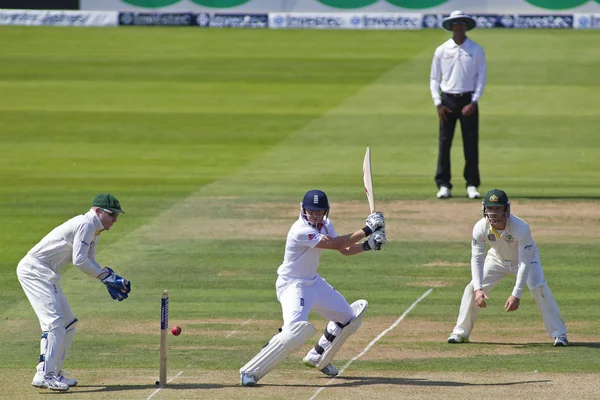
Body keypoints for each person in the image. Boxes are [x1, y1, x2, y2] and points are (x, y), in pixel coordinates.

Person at [239, 190, 387, 386]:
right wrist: (368, 229)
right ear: (303, 209)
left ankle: (318, 356)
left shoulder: (326, 224)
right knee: (293, 333)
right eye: (311, 211)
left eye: (319, 211)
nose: (315, 215)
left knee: (349, 319)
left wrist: (368, 245)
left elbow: (345, 250)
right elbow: (336, 244)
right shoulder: (300, 230)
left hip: (314, 283)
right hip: (293, 285)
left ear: (326, 211)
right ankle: (250, 371)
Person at [17, 193, 132, 391]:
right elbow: (79, 261)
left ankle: (53, 371)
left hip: (47, 273)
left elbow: (89, 260)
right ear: (97, 211)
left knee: (68, 324)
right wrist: (106, 278)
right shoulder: (86, 224)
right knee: (54, 323)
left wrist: (107, 276)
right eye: (112, 215)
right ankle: (45, 375)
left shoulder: (94, 229)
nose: (115, 220)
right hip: (34, 271)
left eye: (117, 216)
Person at [447, 189, 568, 347]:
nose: (493, 213)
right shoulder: (480, 228)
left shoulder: (521, 228)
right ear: (484, 209)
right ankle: (460, 332)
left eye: (497, 208)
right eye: (490, 208)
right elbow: (476, 257)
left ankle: (559, 334)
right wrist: (478, 289)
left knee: (539, 287)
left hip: (525, 260)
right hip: (497, 258)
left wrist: (515, 295)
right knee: (471, 288)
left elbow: (524, 262)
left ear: (506, 208)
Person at [430, 10, 487, 199]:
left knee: (470, 144)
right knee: (444, 144)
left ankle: (472, 184)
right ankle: (444, 184)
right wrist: (438, 103)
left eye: (461, 24)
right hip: (447, 100)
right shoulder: (442, 50)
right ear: (451, 27)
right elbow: (434, 78)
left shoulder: (476, 50)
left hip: (468, 100)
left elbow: (481, 79)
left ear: (466, 26)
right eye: (455, 24)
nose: (459, 27)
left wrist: (474, 101)